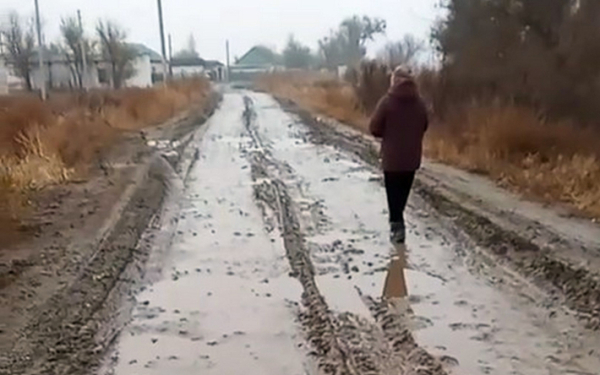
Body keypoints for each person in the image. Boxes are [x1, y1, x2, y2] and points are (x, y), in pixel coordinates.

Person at [369, 66, 428, 244]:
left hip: (392, 159)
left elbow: (374, 128)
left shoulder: (387, 102)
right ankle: (398, 224)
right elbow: (424, 125)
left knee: (392, 194)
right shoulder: (420, 103)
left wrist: (387, 135)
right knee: (402, 194)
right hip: (411, 158)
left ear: (394, 80)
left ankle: (397, 227)